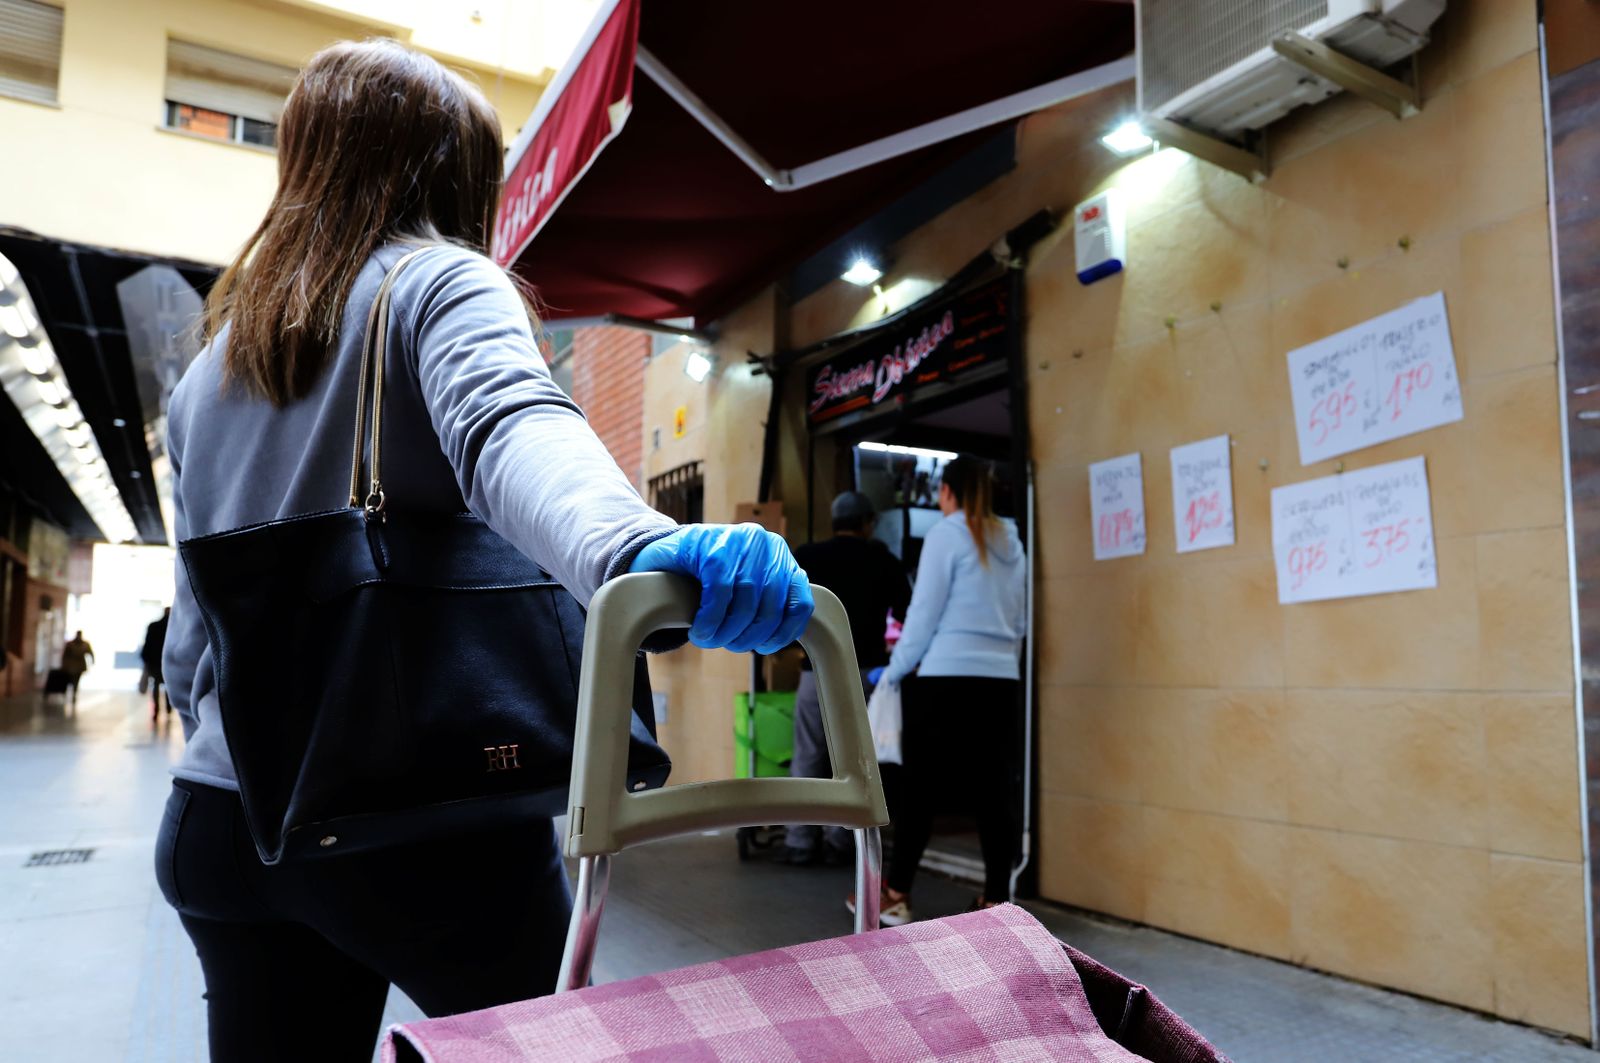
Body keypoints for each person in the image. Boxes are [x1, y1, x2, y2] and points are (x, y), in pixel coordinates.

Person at [155, 40, 811, 1061]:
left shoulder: (213, 366)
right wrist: (637, 547)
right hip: (412, 823)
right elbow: (512, 427)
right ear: (459, 175)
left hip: (218, 821)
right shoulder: (440, 281)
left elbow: (195, 644)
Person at [849, 457, 1026, 926]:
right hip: (1002, 680)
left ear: (947, 491)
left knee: (919, 789)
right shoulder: (1012, 540)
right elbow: (1021, 618)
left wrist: (893, 672)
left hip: (946, 677)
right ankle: (996, 899)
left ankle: (896, 894)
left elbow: (923, 614)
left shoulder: (947, 534)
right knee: (995, 791)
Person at [782, 491, 911, 866]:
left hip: (814, 670)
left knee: (807, 757)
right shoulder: (882, 560)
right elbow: (906, 609)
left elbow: (785, 605)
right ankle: (842, 840)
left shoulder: (806, 556)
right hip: (863, 675)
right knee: (853, 761)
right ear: (868, 522)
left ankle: (799, 841)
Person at [141, 609, 169, 721]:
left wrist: (146, 659)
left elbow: (147, 644)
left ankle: (156, 709)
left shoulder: (153, 626)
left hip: (154, 662)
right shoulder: (172, 628)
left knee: (156, 685)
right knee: (168, 685)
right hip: (167, 661)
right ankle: (168, 707)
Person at [60, 630, 93, 706]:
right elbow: (65, 655)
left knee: (76, 680)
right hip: (71, 665)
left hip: (80, 665)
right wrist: (64, 664)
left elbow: (90, 653)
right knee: (71, 680)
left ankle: (74, 693)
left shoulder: (85, 644)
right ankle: (71, 692)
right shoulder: (70, 644)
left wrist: (92, 662)